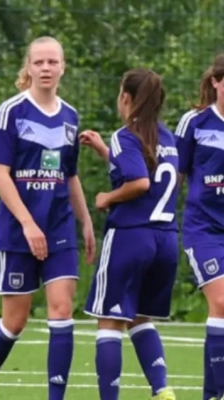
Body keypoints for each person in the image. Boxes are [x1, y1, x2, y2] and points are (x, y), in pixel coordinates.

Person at [0, 36, 95, 400]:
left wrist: (85, 221)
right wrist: (27, 223)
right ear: (29, 67)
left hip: (59, 228)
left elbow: (69, 175)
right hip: (17, 231)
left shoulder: (70, 116)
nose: (45, 68)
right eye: (38, 62)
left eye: (52, 62)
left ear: (63, 67)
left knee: (62, 309)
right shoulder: (11, 111)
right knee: (15, 320)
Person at [81, 68, 178, 400]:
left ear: (126, 97)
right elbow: (146, 169)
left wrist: (107, 198)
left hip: (131, 237)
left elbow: (139, 182)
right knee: (140, 316)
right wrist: (104, 151)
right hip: (165, 240)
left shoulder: (126, 135)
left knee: (109, 320)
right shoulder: (167, 138)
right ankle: (162, 389)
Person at [175, 53, 224, 400]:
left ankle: (211, 394)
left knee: (220, 309)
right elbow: (174, 174)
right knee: (222, 300)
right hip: (203, 229)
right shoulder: (194, 123)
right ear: (216, 82)